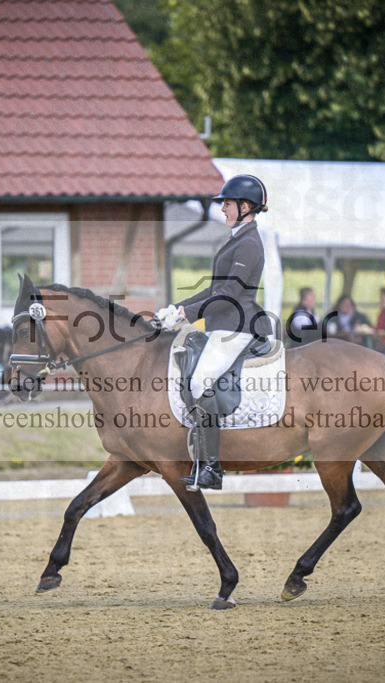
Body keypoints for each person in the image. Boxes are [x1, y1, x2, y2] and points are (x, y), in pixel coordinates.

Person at [153, 174, 273, 490]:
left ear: (245, 206)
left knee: (200, 381)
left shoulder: (249, 244)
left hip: (238, 327)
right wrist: (176, 308)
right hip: (223, 326)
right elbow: (213, 288)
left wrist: (187, 314)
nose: (223, 209)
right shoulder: (236, 238)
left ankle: (212, 468)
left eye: (228, 204)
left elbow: (231, 293)